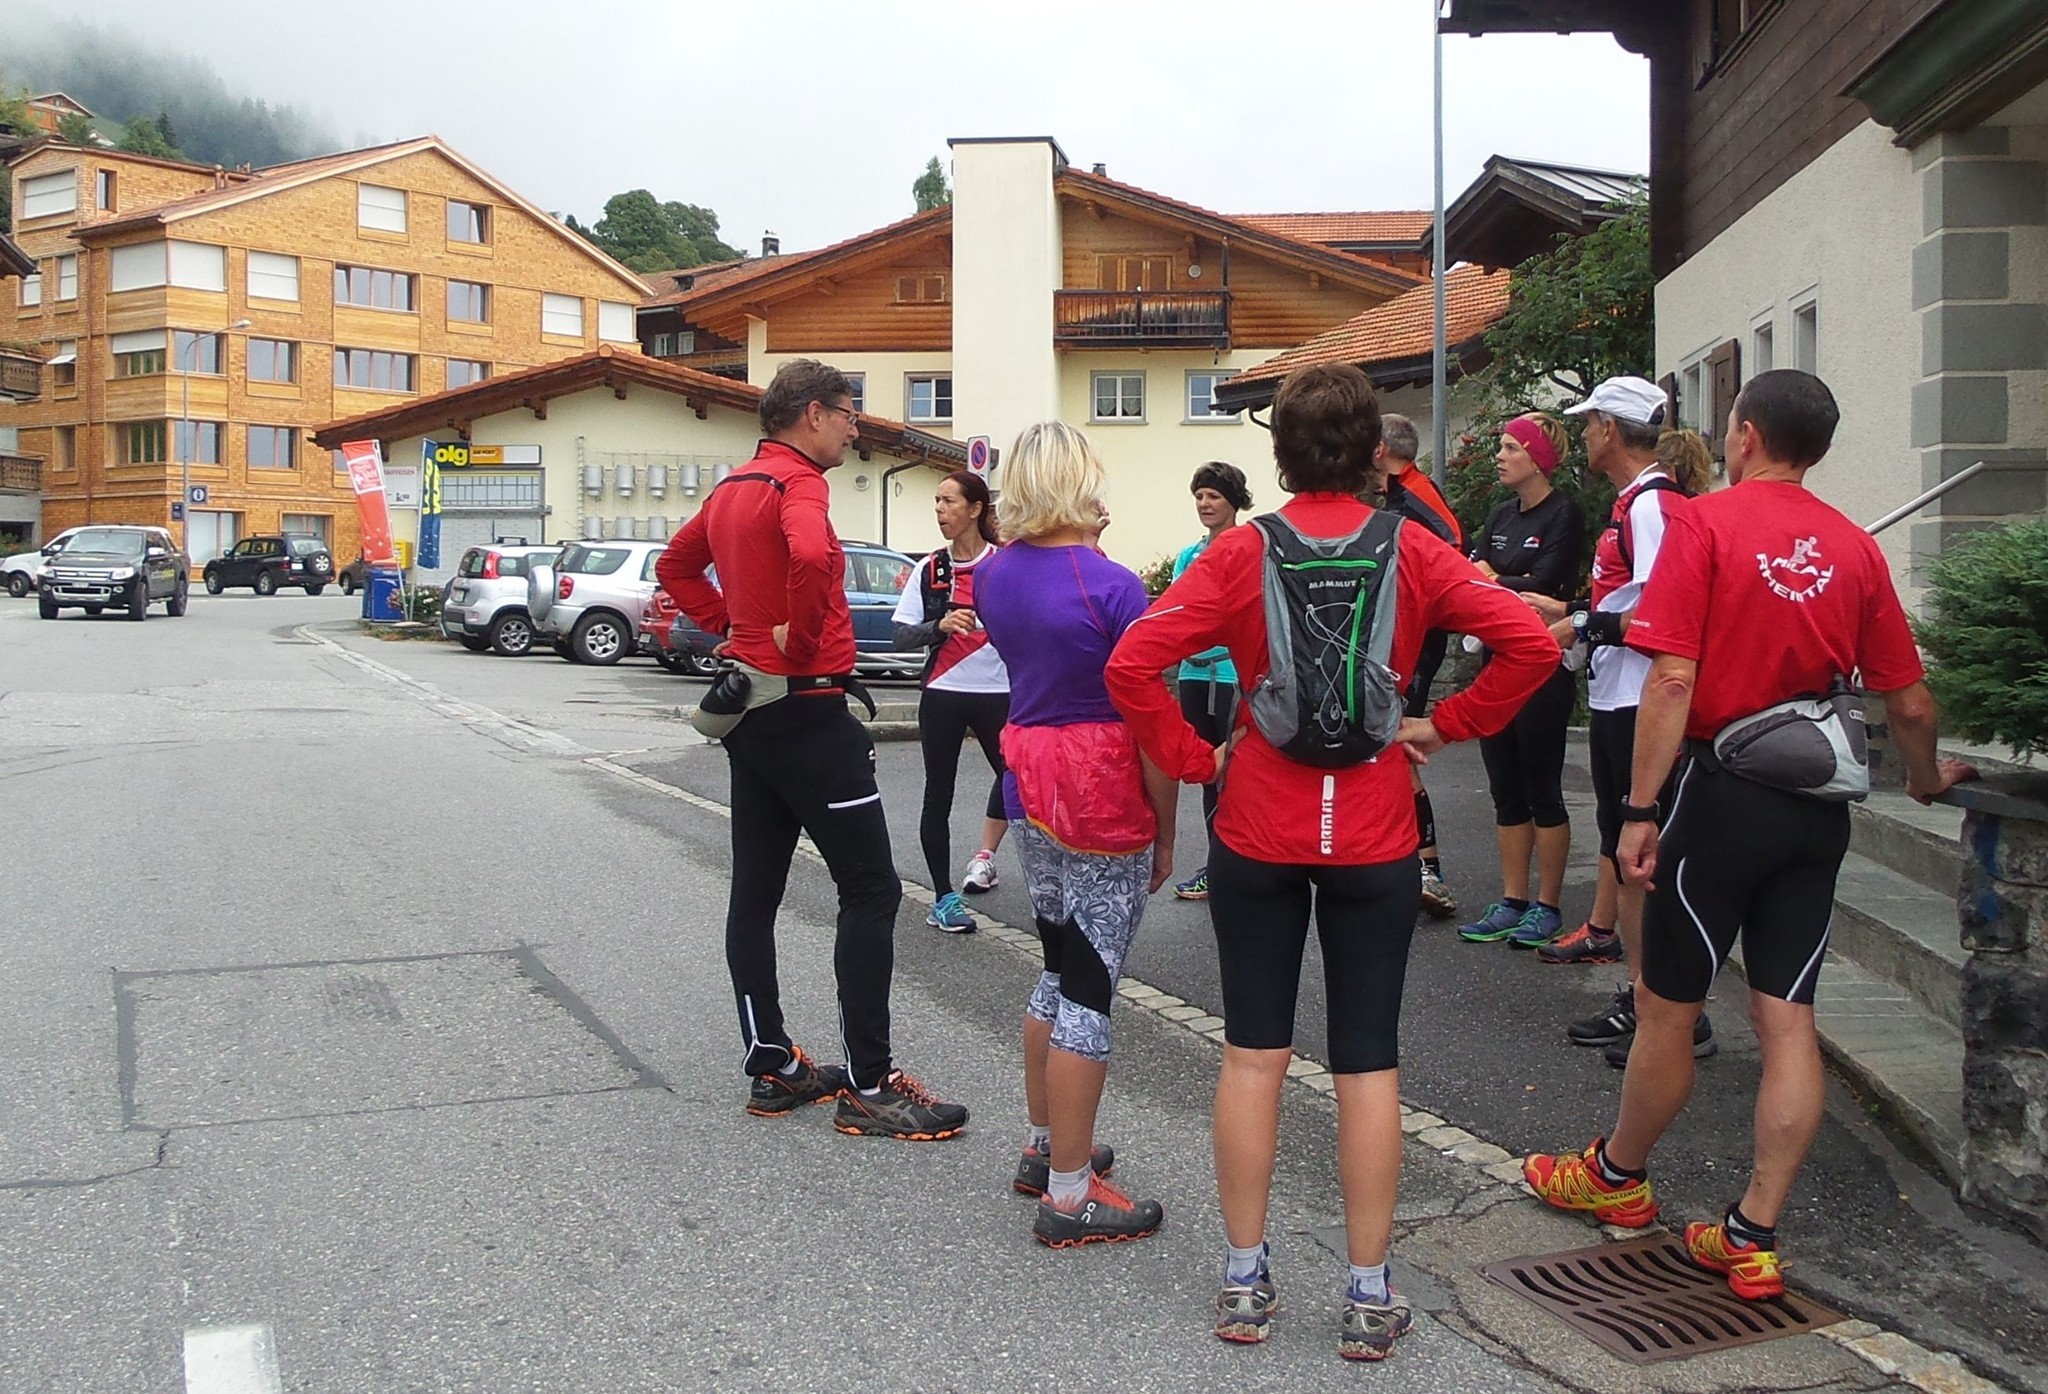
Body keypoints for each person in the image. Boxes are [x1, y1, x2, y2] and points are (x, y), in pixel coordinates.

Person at [1106, 364, 1557, 1360]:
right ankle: (1365, 1291)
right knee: (1365, 1064)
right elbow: (1526, 642)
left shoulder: (1234, 554)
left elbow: (1131, 661)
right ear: (1368, 456)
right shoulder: (1417, 547)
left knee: (1250, 1055)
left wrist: (1192, 758)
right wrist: (1446, 724)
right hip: (1372, 830)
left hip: (1257, 823)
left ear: (1278, 454)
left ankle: (1241, 1279)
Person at [1523, 370, 1975, 1300]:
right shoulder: (1854, 547)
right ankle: (1752, 1232)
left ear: (1744, 435)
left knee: (1669, 1008)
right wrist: (1926, 781)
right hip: (1815, 811)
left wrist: (1640, 810)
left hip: (1719, 794)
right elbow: (1912, 699)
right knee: (1788, 1018)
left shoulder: (1706, 523)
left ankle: (1617, 1180)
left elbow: (1673, 679)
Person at [656, 358, 968, 1142]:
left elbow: (674, 565)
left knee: (755, 892)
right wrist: (790, 631)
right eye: (849, 414)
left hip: (753, 717)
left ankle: (773, 1063)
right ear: (812, 415)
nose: (856, 427)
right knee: (871, 890)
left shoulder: (734, 486)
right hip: (809, 709)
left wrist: (734, 631)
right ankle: (870, 1085)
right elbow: (812, 556)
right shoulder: (800, 484)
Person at [974, 420, 1178, 1248]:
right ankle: (1069, 1192)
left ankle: (1043, 1144)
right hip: (1102, 796)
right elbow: (1154, 721)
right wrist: (1167, 833)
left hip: (1029, 784)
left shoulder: (994, 579)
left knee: (1056, 968)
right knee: (1092, 990)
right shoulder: (1115, 587)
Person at [1543, 415, 1720, 1067]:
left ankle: (1671, 1012)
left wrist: (1587, 624)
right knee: (1626, 849)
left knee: (1644, 853)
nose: (1583, 437)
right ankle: (1643, 998)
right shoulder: (1638, 501)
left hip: (1645, 696)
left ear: (1611, 431)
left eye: (1589, 424)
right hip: (1621, 693)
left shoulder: (1652, 505)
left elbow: (1659, 609)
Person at [1458, 412, 1585, 950]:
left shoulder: (1564, 514)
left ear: (1537, 458)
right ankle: (1512, 899)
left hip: (1541, 666)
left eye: (1511, 448)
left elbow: (1546, 585)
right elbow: (1470, 581)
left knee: (1542, 788)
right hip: (1496, 664)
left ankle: (1548, 904)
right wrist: (1506, 585)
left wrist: (1498, 580)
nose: (1501, 456)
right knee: (1504, 790)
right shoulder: (1499, 514)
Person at [891, 470, 1010, 933]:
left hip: (998, 693)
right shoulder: (931, 569)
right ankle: (943, 897)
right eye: (936, 502)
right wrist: (937, 627)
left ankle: (995, 860)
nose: (940, 511)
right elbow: (901, 634)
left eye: (948, 502)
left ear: (975, 509)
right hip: (942, 693)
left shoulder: (1006, 563)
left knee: (1020, 781)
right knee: (937, 794)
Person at [1377, 413, 1464, 919]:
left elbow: (1451, 545)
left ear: (1381, 450)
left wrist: (1414, 604)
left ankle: (1427, 868)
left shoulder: (1416, 492)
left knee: (1400, 740)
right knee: (1394, 741)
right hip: (1403, 637)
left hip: (1419, 639)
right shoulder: (1396, 493)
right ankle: (1420, 865)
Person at [1166, 462, 1254, 902]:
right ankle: (1217, 862)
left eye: (1213, 496)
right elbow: (1176, 610)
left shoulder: (1249, 549)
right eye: (1199, 495)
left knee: (1235, 771)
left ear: (1233, 500)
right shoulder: (1188, 555)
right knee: (1206, 772)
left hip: (1231, 676)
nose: (1204, 503)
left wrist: (1213, 645)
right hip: (1192, 677)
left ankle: (1232, 863)